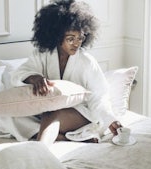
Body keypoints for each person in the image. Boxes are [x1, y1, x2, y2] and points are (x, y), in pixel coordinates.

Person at [11, 0, 122, 144]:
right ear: (57, 37)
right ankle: (62, 136)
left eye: (80, 38)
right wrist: (34, 78)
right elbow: (18, 75)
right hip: (45, 111)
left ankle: (39, 148)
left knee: (53, 114)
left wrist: (111, 120)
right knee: (10, 115)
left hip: (79, 114)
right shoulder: (41, 55)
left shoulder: (87, 62)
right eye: (70, 39)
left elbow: (99, 97)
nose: (76, 43)